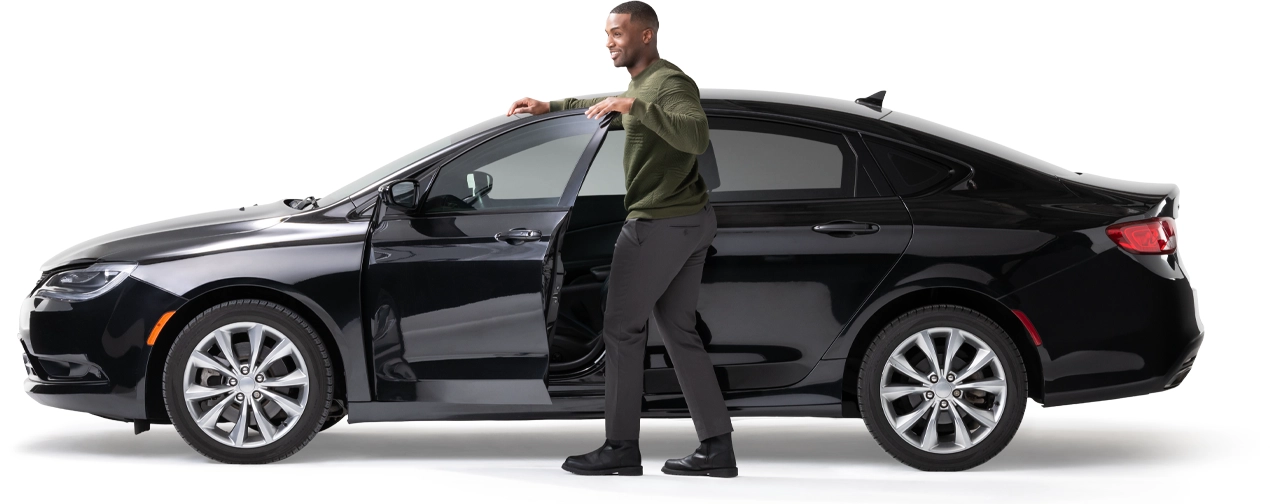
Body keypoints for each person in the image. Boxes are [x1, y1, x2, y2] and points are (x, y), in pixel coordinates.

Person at [506, 1, 737, 478]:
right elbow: (608, 100)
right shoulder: (642, 84)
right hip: (687, 219)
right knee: (679, 331)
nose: (608, 41)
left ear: (646, 35)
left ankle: (620, 447)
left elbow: (694, 134)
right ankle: (717, 448)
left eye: (616, 32)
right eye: (606, 33)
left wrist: (637, 107)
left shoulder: (670, 84)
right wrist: (551, 106)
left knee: (621, 329)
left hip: (659, 223)